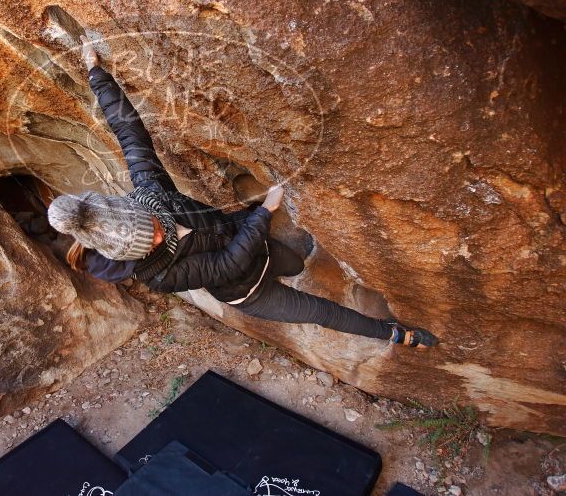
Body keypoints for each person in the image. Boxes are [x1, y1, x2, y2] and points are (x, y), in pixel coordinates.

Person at [46, 36, 438, 348]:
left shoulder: (152, 195)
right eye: (151, 242)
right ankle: (396, 335)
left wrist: (97, 74)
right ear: (133, 255)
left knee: (299, 264)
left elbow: (131, 135)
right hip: (246, 291)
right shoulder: (158, 275)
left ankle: (294, 264)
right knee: (321, 311)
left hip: (259, 248)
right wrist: (265, 210)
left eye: (152, 225)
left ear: (137, 210)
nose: (162, 233)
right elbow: (227, 266)